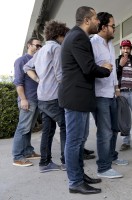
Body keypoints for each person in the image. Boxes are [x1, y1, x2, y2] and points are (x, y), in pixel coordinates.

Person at [58, 6, 112, 195]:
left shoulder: (75, 36)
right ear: (87, 20)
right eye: (96, 18)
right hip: (75, 98)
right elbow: (88, 68)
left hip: (77, 97)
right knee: (74, 142)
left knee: (79, 141)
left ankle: (79, 175)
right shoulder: (79, 37)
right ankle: (75, 181)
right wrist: (106, 68)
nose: (99, 21)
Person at [23, 20, 69, 173]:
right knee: (66, 126)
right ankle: (66, 161)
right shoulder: (56, 48)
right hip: (54, 96)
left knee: (48, 130)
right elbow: (60, 75)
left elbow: (27, 66)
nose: (64, 39)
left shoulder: (41, 50)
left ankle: (45, 163)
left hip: (42, 96)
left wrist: (39, 80)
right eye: (64, 36)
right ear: (59, 35)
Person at [90, 12, 127, 179]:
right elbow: (89, 69)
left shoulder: (111, 44)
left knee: (113, 130)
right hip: (99, 96)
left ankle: (111, 156)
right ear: (103, 27)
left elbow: (112, 72)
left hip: (111, 94)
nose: (114, 28)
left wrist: (117, 89)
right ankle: (103, 168)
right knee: (104, 132)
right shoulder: (92, 43)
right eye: (112, 25)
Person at [12, 37, 42, 167]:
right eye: (36, 45)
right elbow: (18, 82)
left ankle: (28, 151)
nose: (38, 48)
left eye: (40, 46)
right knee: (22, 128)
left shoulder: (38, 60)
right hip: (28, 99)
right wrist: (23, 99)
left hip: (36, 99)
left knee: (28, 128)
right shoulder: (21, 61)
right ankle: (18, 157)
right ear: (29, 45)